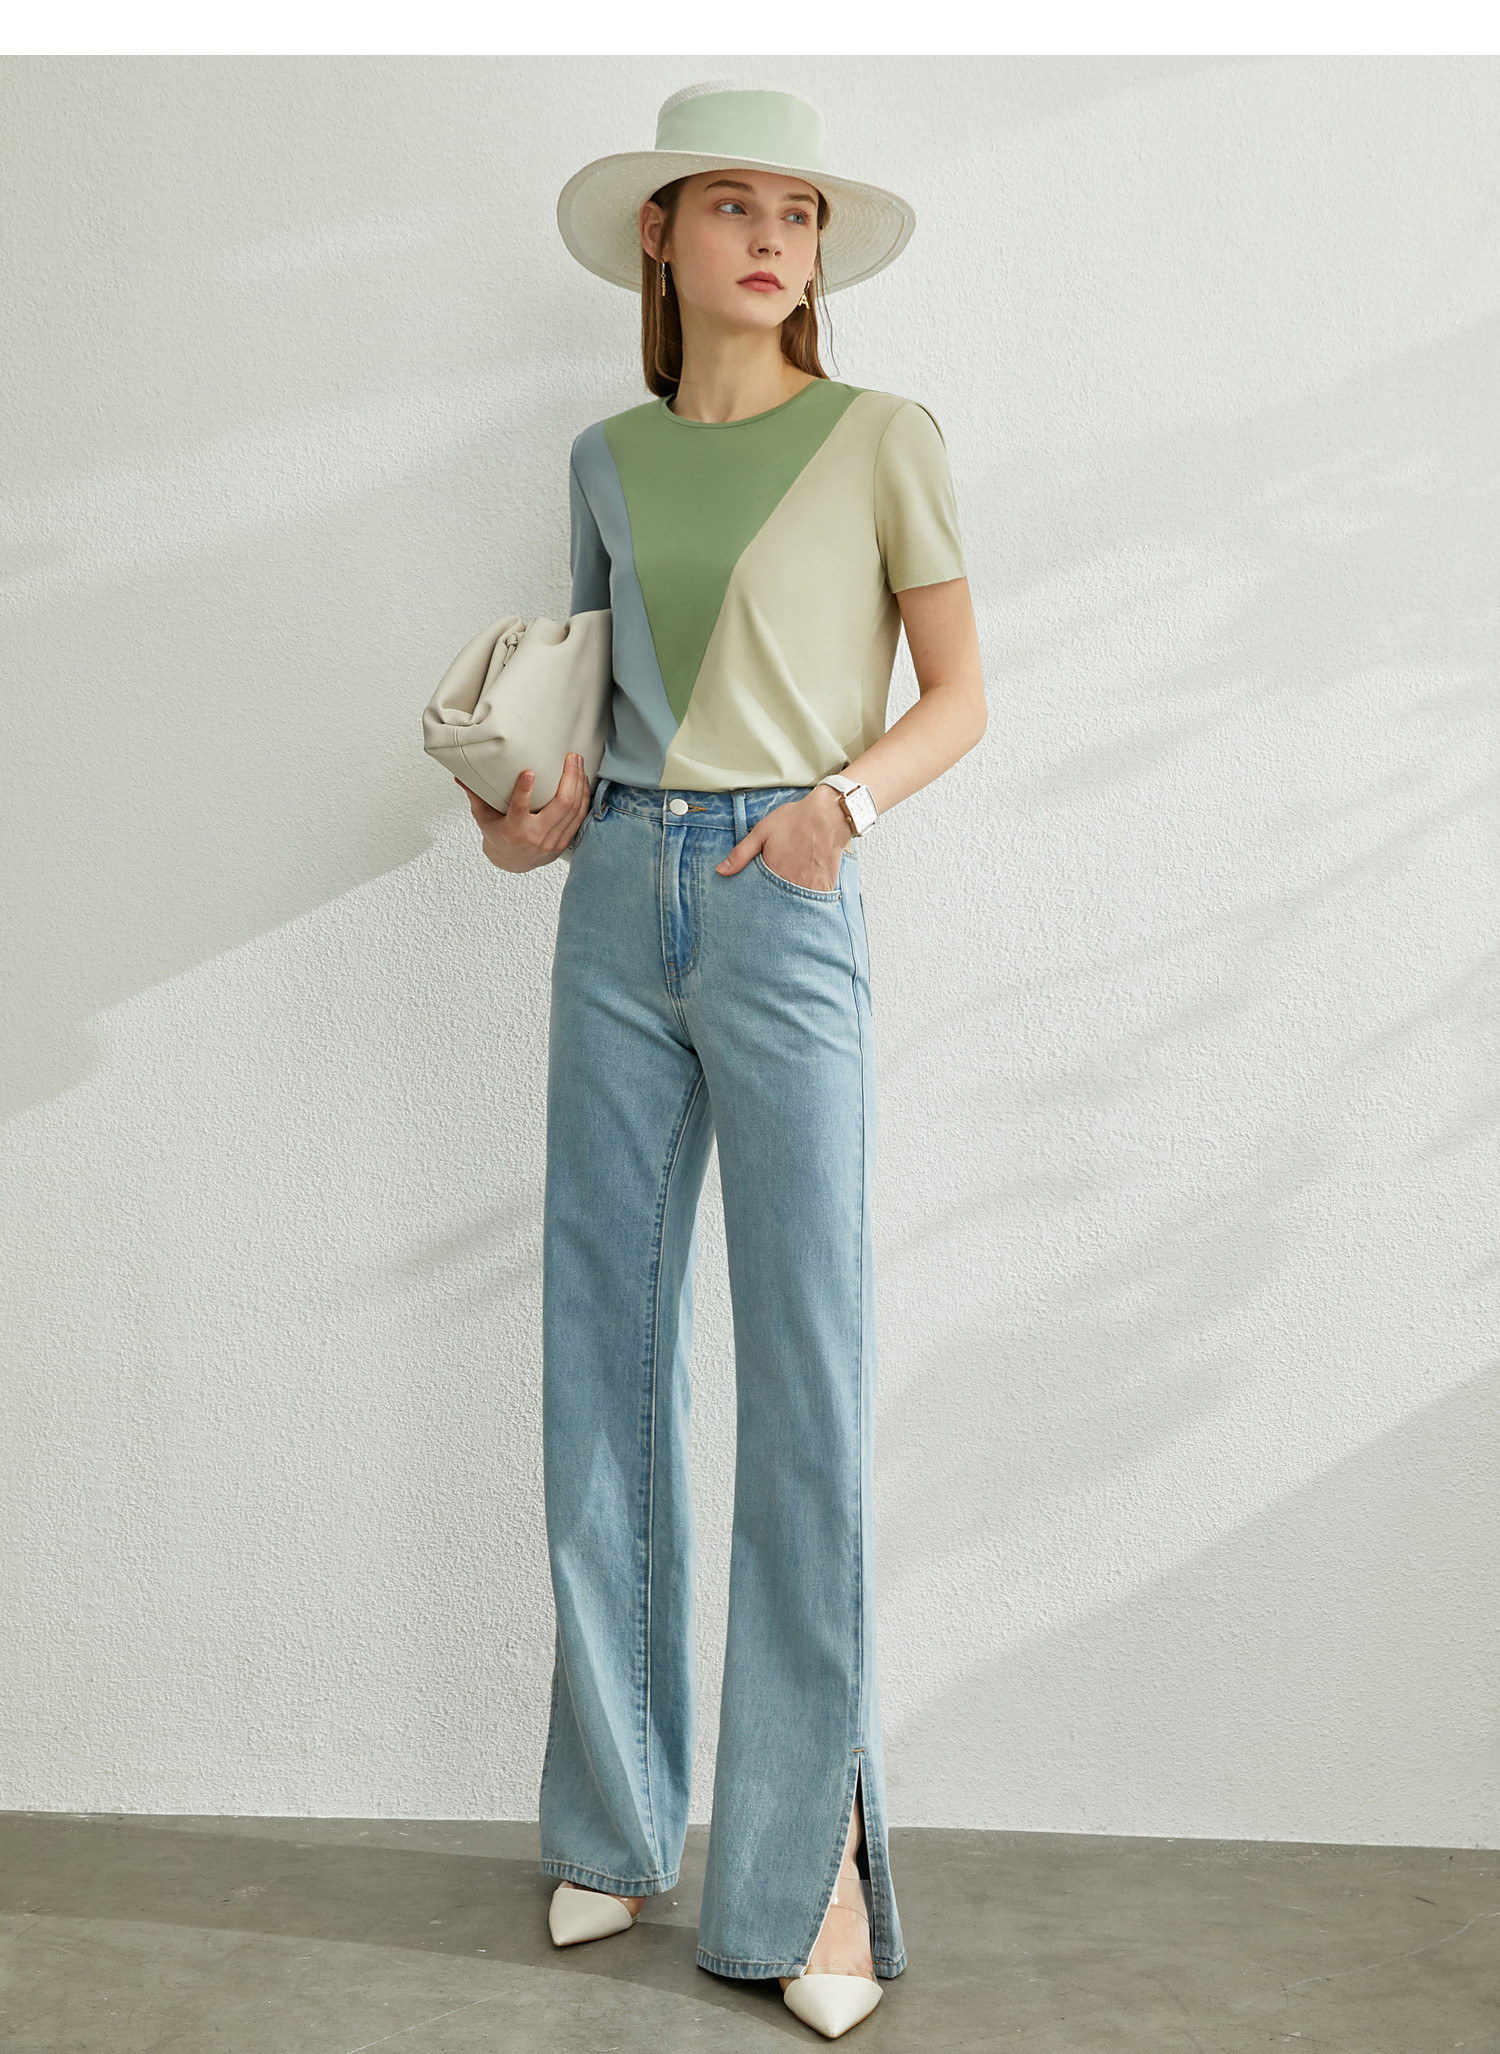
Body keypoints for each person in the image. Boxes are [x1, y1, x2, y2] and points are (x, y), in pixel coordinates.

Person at [458, 80, 985, 2040]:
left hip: (785, 892)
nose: (773, 238)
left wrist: (843, 804)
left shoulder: (884, 438)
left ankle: (808, 1868)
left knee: (806, 1377)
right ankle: (614, 1821)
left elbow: (962, 694)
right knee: (598, 1359)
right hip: (614, 897)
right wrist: (525, 821)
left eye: (800, 212)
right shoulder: (601, 458)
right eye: (734, 206)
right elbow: (596, 710)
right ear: (661, 239)